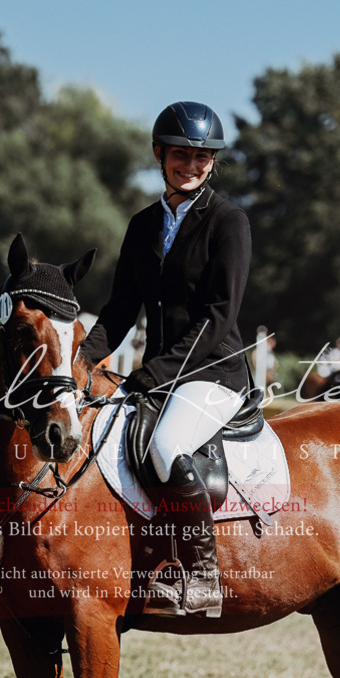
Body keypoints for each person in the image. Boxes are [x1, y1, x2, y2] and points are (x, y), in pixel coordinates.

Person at [80, 101, 252, 618]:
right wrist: (80, 362)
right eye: (181, 154)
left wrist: (152, 374)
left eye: (203, 157)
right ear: (160, 154)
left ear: (212, 162)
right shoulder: (142, 225)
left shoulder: (229, 221)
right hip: (159, 374)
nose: (192, 165)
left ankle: (202, 576)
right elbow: (119, 309)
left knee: (165, 444)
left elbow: (218, 315)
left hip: (213, 371)